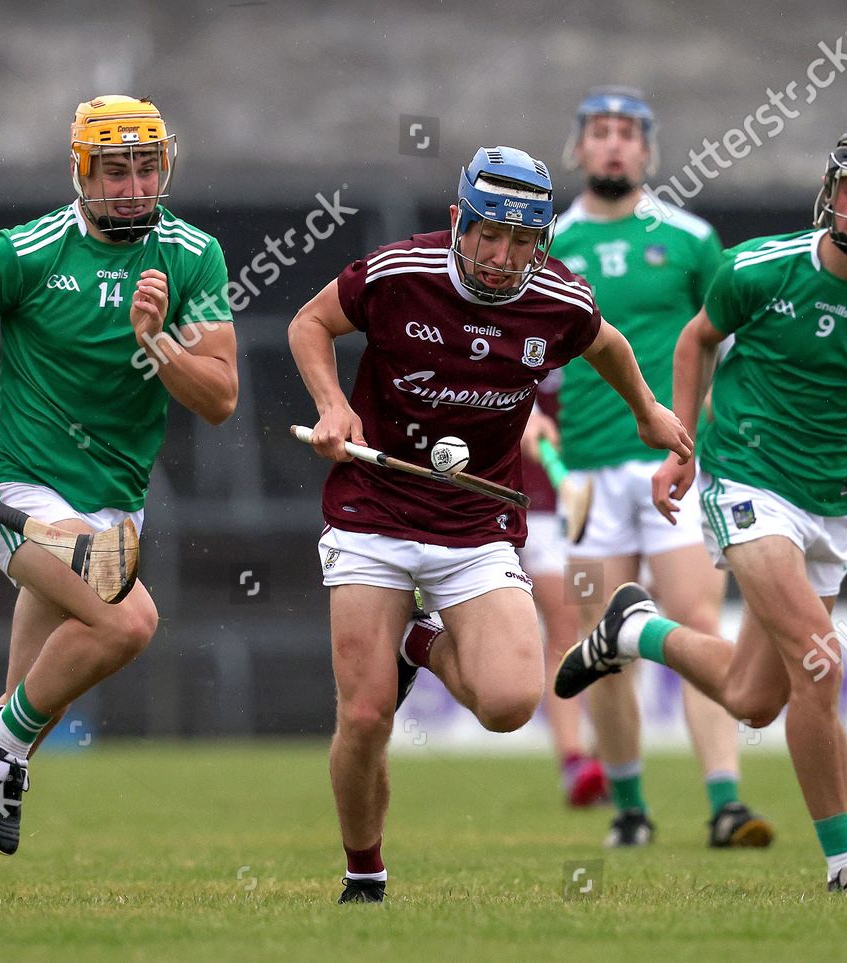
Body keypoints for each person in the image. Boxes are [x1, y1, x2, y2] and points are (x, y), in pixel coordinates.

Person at [556, 131, 847, 892]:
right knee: (821, 662)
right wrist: (683, 445)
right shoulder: (760, 267)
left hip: (832, 505)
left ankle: (632, 629)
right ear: (828, 194)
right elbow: (697, 339)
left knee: (753, 696)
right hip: (744, 479)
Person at [288, 145, 692, 903]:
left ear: (543, 241)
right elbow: (310, 324)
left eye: (522, 240)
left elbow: (606, 342)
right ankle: (364, 870)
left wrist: (648, 411)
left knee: (510, 703)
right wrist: (333, 405)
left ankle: (419, 639)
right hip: (372, 507)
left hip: (476, 522)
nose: (503, 256)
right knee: (369, 711)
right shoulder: (398, 274)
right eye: (487, 234)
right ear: (457, 221)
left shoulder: (558, 300)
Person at [0, 95, 238, 898]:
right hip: (21, 493)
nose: (132, 185)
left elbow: (220, 398)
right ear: (81, 171)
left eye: (147, 167)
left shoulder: (193, 256)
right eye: (114, 169)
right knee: (131, 620)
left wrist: (157, 340)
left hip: (117, 505)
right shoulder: (25, 252)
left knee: (27, 716)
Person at [531, 86, 772, 849]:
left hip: (679, 467)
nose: (612, 146)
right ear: (578, 148)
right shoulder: (549, 242)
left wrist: (716, 437)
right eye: (599, 132)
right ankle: (630, 809)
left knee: (700, 623)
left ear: (648, 150)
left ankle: (726, 802)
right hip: (590, 478)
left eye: (627, 134)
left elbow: (729, 350)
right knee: (603, 642)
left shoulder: (694, 240)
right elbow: (522, 348)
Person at [517, 371, 608, 807]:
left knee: (599, 627)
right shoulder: (524, 326)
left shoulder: (597, 332)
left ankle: (608, 754)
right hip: (542, 508)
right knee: (566, 626)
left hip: (598, 502)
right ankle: (573, 759)